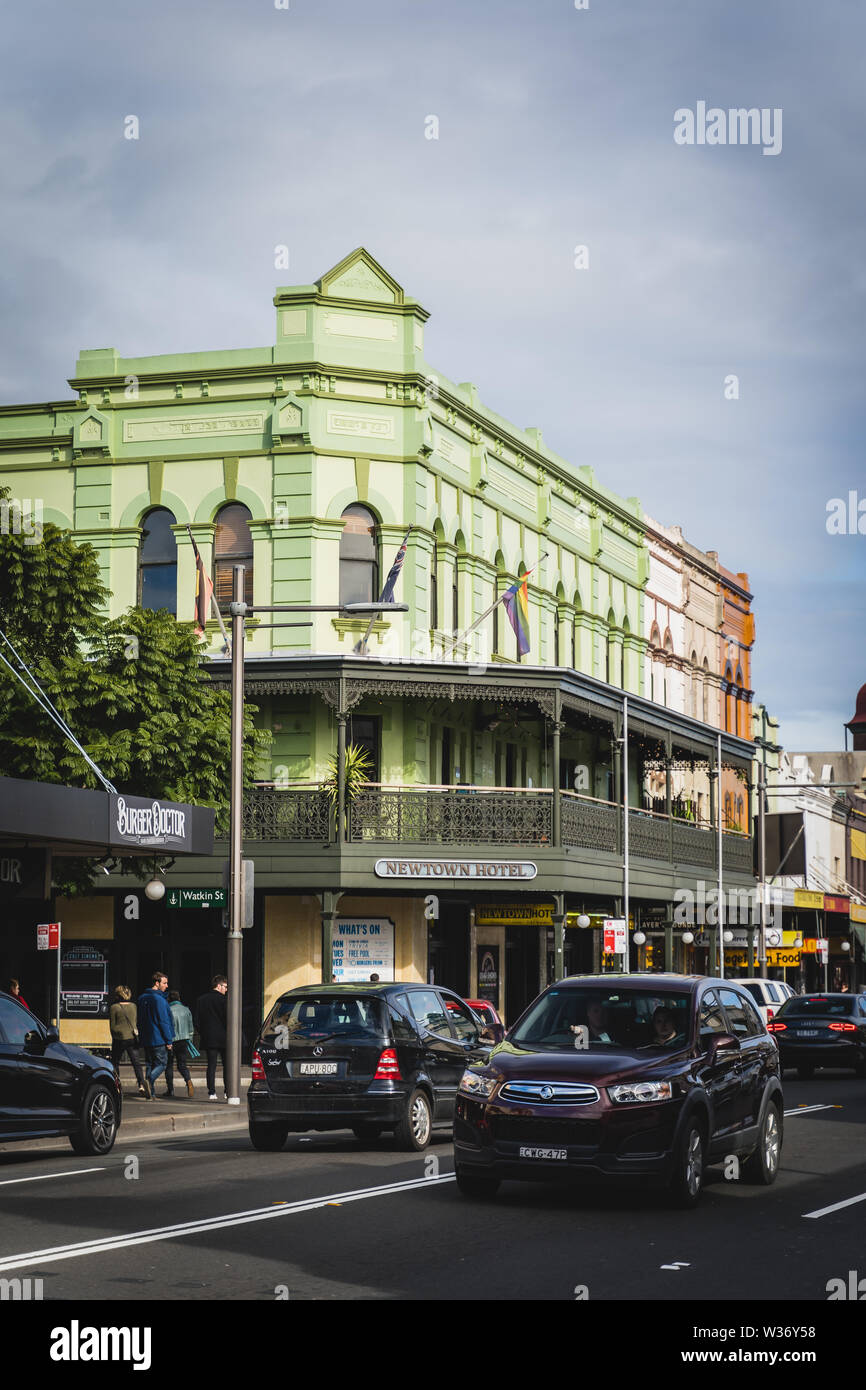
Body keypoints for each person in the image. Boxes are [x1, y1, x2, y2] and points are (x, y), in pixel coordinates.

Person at [136, 972, 174, 1098]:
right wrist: (169, 1040)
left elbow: (140, 1020)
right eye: (164, 983)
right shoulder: (159, 1000)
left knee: (149, 1064)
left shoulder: (142, 998)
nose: (167, 986)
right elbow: (163, 1021)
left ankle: (150, 1092)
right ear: (157, 983)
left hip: (146, 1037)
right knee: (162, 1064)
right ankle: (148, 1081)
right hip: (158, 1038)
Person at [109, 985, 146, 1097]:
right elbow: (135, 1022)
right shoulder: (133, 1006)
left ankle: (117, 1086)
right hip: (131, 1038)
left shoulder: (114, 1007)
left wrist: (117, 1034)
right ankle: (141, 1084)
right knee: (136, 1063)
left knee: (115, 1063)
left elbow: (112, 1026)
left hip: (119, 1039)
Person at [196, 975, 228, 1101]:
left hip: (209, 1037)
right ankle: (228, 1091)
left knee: (211, 1065)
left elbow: (197, 1021)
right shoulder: (225, 1000)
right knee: (228, 1066)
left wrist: (204, 1033)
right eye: (225, 987)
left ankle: (212, 1092)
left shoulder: (201, 1000)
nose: (226, 990)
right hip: (225, 1037)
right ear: (219, 986)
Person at [166, 990, 195, 1098]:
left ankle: (170, 1089)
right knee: (182, 1064)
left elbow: (167, 1026)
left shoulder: (168, 1010)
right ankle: (188, 1081)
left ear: (169, 999)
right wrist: (190, 1040)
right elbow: (191, 1027)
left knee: (169, 1065)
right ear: (179, 998)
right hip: (183, 1040)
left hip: (171, 1040)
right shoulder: (186, 1010)